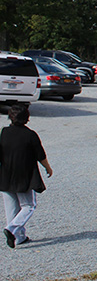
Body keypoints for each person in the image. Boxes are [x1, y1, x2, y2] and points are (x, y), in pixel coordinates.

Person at [0, 104, 53, 248]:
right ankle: (11, 229)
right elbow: (40, 155)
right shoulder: (30, 135)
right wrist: (48, 168)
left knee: (11, 209)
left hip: (5, 175)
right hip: (23, 176)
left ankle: (19, 237)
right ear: (27, 118)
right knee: (28, 206)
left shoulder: (4, 132)